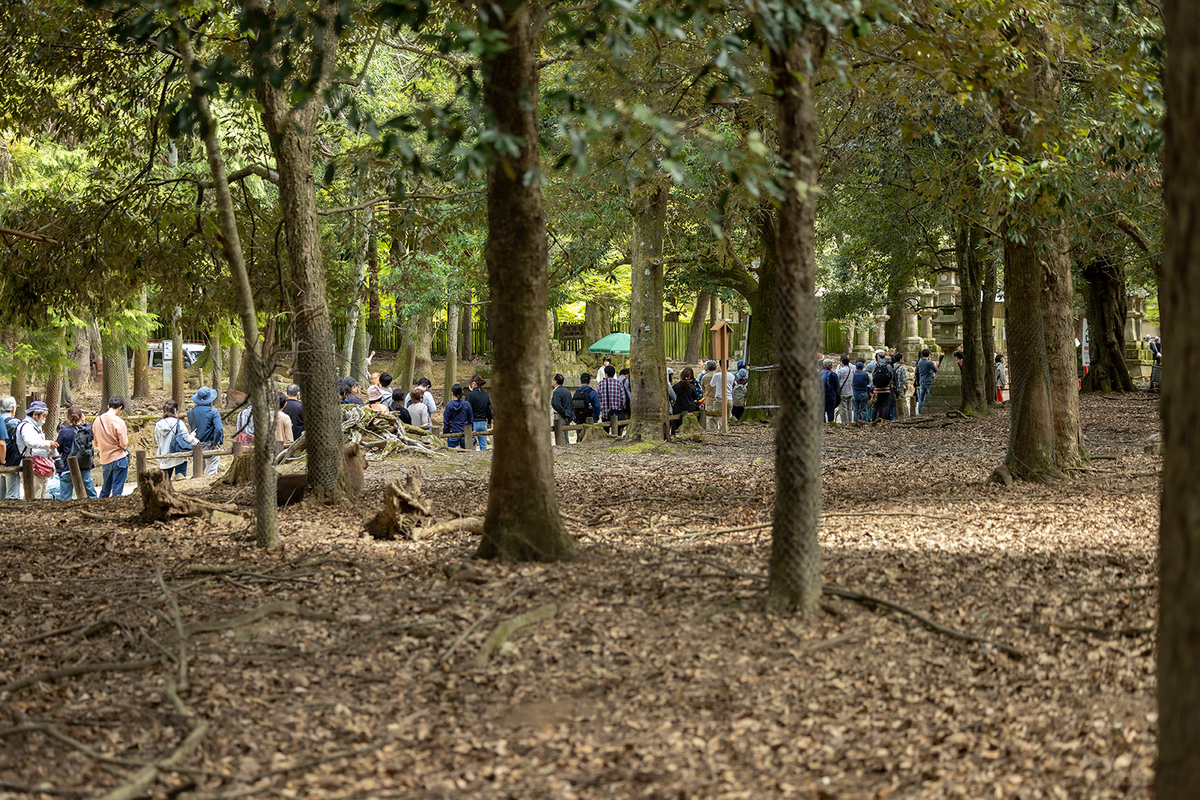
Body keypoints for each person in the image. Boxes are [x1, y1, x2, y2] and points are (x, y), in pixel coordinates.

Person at [50, 406, 97, 499]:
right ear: (81, 416)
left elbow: (57, 448)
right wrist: (84, 422)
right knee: (90, 490)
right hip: (84, 464)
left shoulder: (64, 431)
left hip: (68, 465)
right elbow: (91, 437)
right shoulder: (86, 430)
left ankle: (66, 510)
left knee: (66, 493)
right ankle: (95, 507)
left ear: (68, 418)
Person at [15, 402, 59, 500]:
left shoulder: (36, 427)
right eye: (43, 416)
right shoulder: (26, 426)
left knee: (40, 495)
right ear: (35, 414)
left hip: (39, 466)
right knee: (33, 496)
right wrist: (48, 444)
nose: (44, 419)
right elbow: (30, 443)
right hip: (32, 466)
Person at [154, 400, 200, 480]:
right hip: (179, 456)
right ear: (175, 410)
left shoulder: (158, 425)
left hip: (164, 456)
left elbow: (158, 440)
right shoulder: (179, 423)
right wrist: (195, 439)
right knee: (181, 479)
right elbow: (187, 438)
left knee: (164, 483)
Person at [94, 396, 130, 497]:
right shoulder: (119, 422)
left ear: (108, 406)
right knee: (117, 490)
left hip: (105, 458)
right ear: (120, 408)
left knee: (105, 488)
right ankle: (115, 509)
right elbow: (123, 443)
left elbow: (95, 442)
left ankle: (101, 506)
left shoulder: (97, 420)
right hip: (119, 457)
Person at [187, 387, 224, 476]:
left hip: (196, 445)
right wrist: (215, 443)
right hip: (211, 445)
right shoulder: (214, 412)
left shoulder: (190, 413)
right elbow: (218, 429)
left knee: (197, 471)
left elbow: (193, 427)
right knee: (211, 472)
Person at [596, 364, 629, 431]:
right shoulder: (619, 383)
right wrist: (622, 407)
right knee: (617, 432)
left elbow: (598, 398)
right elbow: (623, 398)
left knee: (606, 433)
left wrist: (601, 408)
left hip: (605, 413)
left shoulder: (601, 384)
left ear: (606, 374)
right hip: (617, 412)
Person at [465, 376, 493, 451]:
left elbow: (466, 410)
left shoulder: (470, 395)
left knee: (472, 446)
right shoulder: (485, 394)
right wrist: (489, 422)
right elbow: (489, 409)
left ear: (473, 384)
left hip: (473, 422)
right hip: (483, 422)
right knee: (483, 445)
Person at [442, 383, 473, 449]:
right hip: (465, 432)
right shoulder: (467, 404)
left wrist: (445, 432)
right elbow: (471, 419)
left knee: (451, 453)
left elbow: (446, 420)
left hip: (453, 431)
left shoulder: (449, 405)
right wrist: (471, 431)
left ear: (452, 393)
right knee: (467, 453)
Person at [0, 396, 19, 499]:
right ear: (12, 408)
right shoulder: (15, 423)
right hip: (10, 462)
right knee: (13, 496)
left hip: (1, 462)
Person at [670, 367, 699, 434]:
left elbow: (672, 397)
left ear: (680, 377)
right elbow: (695, 397)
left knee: (677, 423)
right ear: (689, 377)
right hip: (690, 407)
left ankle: (675, 433)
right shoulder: (692, 387)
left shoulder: (676, 386)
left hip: (678, 407)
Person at [551, 373, 574, 445]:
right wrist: (568, 416)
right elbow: (571, 405)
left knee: (561, 438)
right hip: (566, 415)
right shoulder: (567, 391)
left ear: (555, 381)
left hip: (560, 415)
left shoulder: (556, 391)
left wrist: (564, 414)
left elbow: (557, 405)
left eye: (552, 379)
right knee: (565, 437)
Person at [872, 355, 895, 422]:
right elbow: (891, 376)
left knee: (875, 405)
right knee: (886, 405)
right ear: (884, 358)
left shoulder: (875, 366)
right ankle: (884, 420)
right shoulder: (888, 366)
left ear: (878, 358)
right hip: (886, 389)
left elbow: (873, 376)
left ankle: (873, 420)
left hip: (877, 389)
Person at [915, 349, 938, 414]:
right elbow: (935, 370)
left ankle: (920, 412)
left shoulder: (919, 362)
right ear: (928, 355)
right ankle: (930, 411)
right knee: (929, 396)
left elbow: (916, 373)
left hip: (921, 381)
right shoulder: (929, 362)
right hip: (928, 381)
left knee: (921, 398)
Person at [835, 355, 854, 423]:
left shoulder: (841, 371)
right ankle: (850, 421)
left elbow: (836, 380)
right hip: (850, 391)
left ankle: (845, 422)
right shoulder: (851, 371)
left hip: (843, 392)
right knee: (849, 408)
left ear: (842, 362)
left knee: (843, 408)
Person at [892, 352, 910, 419]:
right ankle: (906, 416)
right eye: (902, 359)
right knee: (903, 402)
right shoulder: (902, 368)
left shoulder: (892, 366)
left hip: (894, 388)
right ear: (900, 359)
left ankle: (897, 416)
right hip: (900, 387)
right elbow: (904, 378)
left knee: (895, 402)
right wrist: (906, 385)